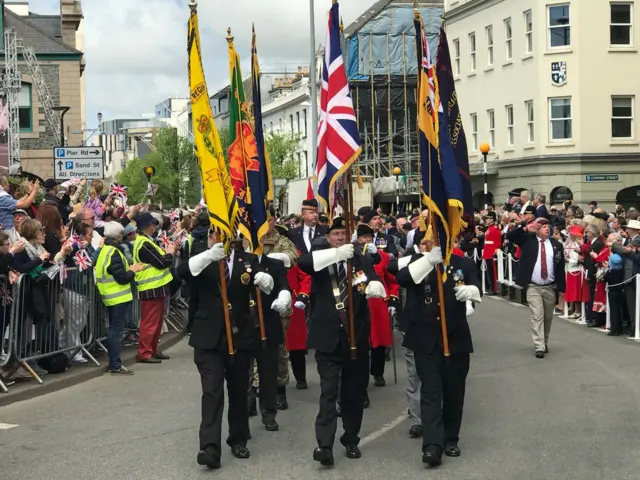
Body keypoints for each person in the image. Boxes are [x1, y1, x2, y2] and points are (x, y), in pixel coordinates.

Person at [177, 229, 274, 469]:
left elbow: (265, 281)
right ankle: (209, 448)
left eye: (223, 233)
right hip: (209, 337)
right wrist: (209, 256)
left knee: (239, 391)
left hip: (240, 336)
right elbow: (179, 273)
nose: (217, 237)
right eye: (213, 232)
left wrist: (266, 281)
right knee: (212, 392)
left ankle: (238, 439)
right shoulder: (202, 257)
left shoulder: (247, 259)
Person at [298, 217, 387, 466]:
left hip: (355, 336)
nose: (339, 237)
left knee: (353, 393)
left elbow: (372, 273)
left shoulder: (359, 258)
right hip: (328, 338)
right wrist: (336, 254)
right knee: (328, 393)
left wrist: (376, 285)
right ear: (328, 237)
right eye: (335, 233)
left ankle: (351, 439)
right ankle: (324, 446)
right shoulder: (321, 257)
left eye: (343, 233)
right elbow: (303, 263)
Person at [507, 218, 566, 358]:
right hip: (533, 286)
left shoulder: (556, 244)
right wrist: (526, 228)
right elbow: (510, 236)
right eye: (543, 226)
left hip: (550, 287)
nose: (547, 229)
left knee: (547, 317)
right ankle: (538, 345)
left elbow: (560, 267)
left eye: (548, 226)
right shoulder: (528, 240)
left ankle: (544, 342)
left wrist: (562, 288)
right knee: (537, 315)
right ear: (536, 229)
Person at [259, 213, 299, 410]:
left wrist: (278, 258)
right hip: (252, 304)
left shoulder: (282, 241)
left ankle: (279, 388)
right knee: (252, 350)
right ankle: (256, 389)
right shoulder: (246, 239)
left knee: (278, 350)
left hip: (277, 303)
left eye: (268, 219)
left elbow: (293, 257)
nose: (265, 223)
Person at [94, 221, 144, 374]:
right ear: (119, 236)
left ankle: (114, 363)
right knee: (115, 331)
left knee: (113, 330)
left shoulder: (104, 250)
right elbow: (121, 277)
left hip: (109, 295)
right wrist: (133, 270)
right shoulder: (114, 252)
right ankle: (115, 364)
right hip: (117, 297)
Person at [132, 212, 176, 364]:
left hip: (157, 286)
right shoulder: (144, 243)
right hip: (151, 287)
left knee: (156, 322)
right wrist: (170, 253)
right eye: (153, 224)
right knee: (150, 322)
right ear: (148, 226)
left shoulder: (147, 241)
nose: (154, 227)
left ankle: (152, 349)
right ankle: (145, 352)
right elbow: (162, 262)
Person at [481, 211, 501, 295]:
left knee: (493, 272)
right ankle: (492, 288)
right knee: (489, 272)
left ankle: (494, 289)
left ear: (492, 219)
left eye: (488, 218)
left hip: (491, 253)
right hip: (487, 252)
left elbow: (497, 242)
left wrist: (494, 252)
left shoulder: (495, 229)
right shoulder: (489, 228)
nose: (486, 220)